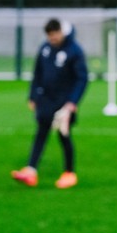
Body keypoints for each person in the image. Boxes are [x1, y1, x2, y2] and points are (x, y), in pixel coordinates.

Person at [11, 18, 88, 189]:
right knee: (40, 134)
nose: (52, 38)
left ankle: (69, 173)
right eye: (49, 35)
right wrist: (32, 96)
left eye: (55, 35)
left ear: (62, 32)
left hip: (64, 104)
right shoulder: (45, 48)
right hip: (45, 101)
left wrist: (72, 103)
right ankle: (31, 171)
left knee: (64, 136)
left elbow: (82, 79)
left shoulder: (74, 51)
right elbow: (37, 72)